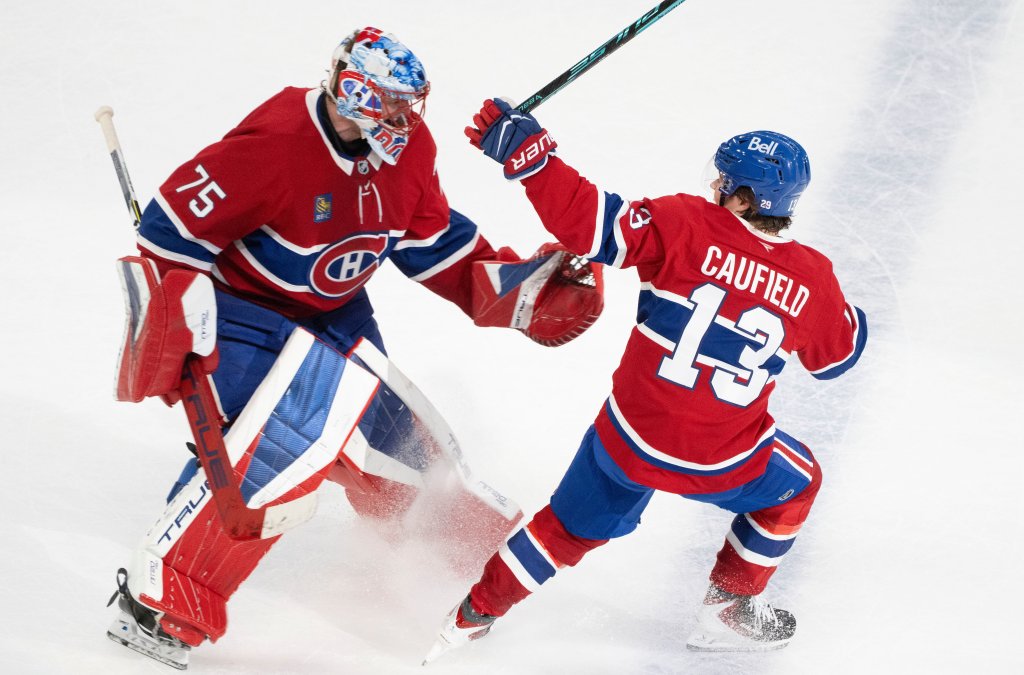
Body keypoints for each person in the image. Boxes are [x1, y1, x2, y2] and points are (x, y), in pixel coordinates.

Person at [104, 32, 603, 670]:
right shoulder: (275, 147)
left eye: (412, 104)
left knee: (402, 454)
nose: (408, 120)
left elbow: (428, 242)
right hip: (244, 316)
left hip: (338, 313)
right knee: (285, 438)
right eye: (393, 105)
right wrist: (171, 324)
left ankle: (469, 577)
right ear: (355, 91)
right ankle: (163, 606)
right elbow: (166, 238)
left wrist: (514, 292)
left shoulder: (409, 150)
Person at [426, 99, 868, 661]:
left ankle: (468, 619)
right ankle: (728, 612)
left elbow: (589, 223)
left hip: (629, 438)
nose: (715, 184)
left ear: (747, 197)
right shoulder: (813, 277)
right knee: (798, 483)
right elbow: (838, 358)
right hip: (721, 458)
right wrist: (837, 307)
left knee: (566, 528)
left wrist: (529, 155)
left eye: (726, 180)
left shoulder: (682, 221)